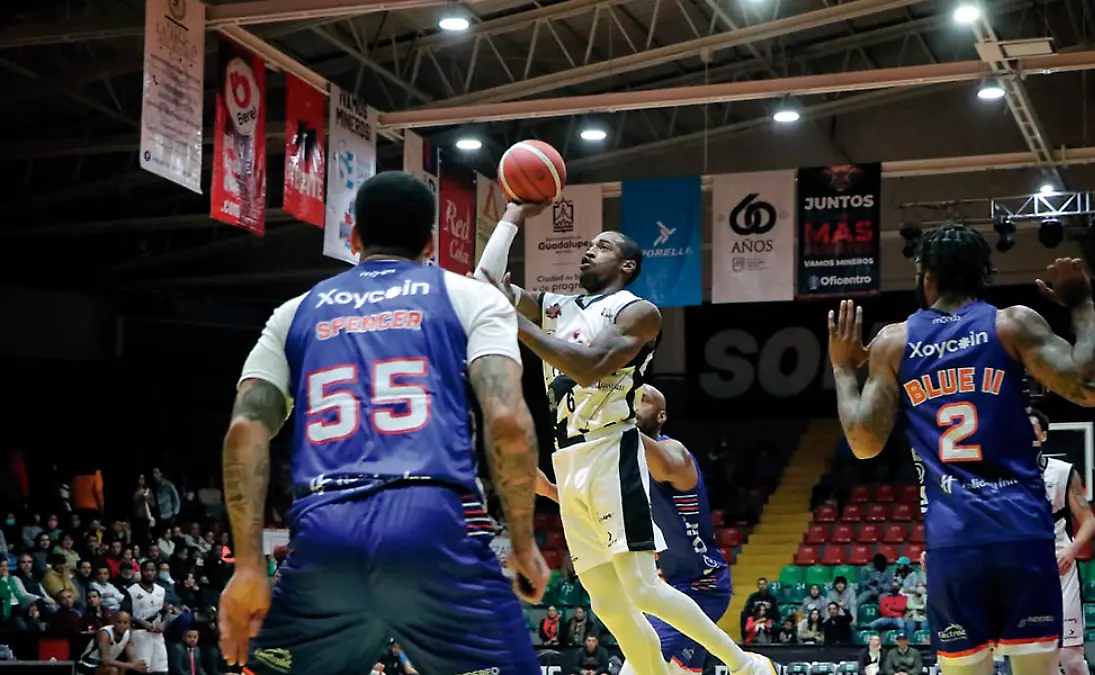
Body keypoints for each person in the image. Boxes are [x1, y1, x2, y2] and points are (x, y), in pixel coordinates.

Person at [218, 172, 547, 675]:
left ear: (353, 237)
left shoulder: (294, 313)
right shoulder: (472, 298)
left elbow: (245, 431)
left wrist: (247, 565)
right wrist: (522, 541)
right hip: (434, 525)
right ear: (430, 244)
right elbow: (505, 419)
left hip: (324, 531)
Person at [477, 206, 773, 675]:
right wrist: (513, 213)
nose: (588, 250)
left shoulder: (638, 312)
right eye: (589, 244)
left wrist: (514, 321)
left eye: (602, 246)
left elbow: (588, 366)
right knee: (606, 603)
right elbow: (485, 283)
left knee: (642, 589)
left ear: (627, 265)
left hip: (611, 449)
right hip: (567, 458)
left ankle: (745, 665)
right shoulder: (556, 308)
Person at [828, 226, 1095, 675]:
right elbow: (1092, 387)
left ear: (926, 276)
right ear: (984, 274)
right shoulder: (1012, 324)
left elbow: (863, 444)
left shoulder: (894, 343)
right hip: (1022, 532)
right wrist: (1081, 304)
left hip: (954, 539)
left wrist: (844, 369)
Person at [539, 385, 734, 675]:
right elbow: (596, 509)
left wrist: (612, 427)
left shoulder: (673, 451)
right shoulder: (624, 467)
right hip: (669, 589)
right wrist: (548, 490)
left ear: (661, 415)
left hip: (702, 584)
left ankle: (748, 665)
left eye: (642, 399)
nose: (632, 403)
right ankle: (749, 666)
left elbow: (666, 467)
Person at [1034, 408, 1095, 675]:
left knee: (1070, 656)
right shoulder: (1002, 474)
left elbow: (1089, 522)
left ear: (1043, 436)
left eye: (1031, 428)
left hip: (1060, 566)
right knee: (1032, 656)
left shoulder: (1062, 472)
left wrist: (1071, 549)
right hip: (1021, 569)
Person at [129, 560, 168, 675]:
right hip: (140, 633)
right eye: (146, 570)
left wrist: (164, 623)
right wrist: (142, 622)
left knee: (161, 669)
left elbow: (165, 611)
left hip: (157, 633)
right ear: (141, 571)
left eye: (152, 570)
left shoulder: (161, 590)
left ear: (156, 572)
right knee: (143, 668)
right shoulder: (131, 590)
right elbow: (125, 614)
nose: (149, 573)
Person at [79, 611, 146, 675]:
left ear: (129, 624)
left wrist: (138, 665)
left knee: (122, 668)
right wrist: (131, 665)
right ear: (114, 622)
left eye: (125, 623)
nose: (122, 625)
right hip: (88, 664)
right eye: (119, 622)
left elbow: (132, 657)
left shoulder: (128, 635)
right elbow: (105, 660)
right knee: (113, 670)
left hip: (103, 665)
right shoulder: (105, 633)